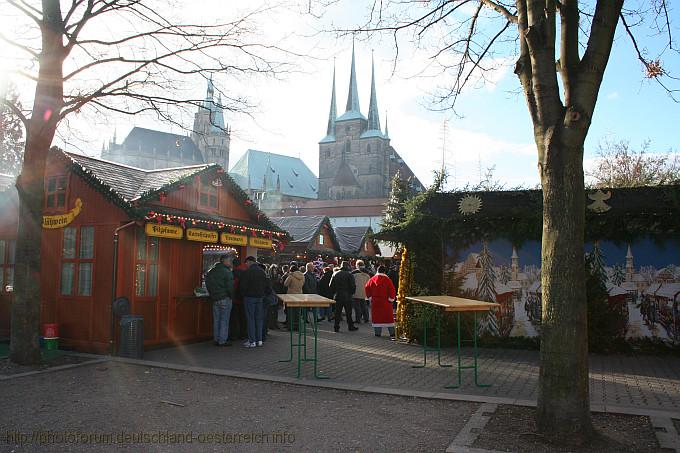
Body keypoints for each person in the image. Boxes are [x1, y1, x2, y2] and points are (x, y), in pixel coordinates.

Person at [238, 256, 268, 348]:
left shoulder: (247, 272)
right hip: (260, 298)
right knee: (259, 319)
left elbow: (242, 286)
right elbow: (266, 285)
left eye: (246, 263)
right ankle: (259, 340)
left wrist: (243, 294)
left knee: (250, 319)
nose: (246, 265)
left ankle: (252, 341)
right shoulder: (262, 272)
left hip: (249, 298)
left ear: (250, 262)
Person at [204, 254, 234, 346]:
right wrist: (231, 296)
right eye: (230, 261)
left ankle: (216, 339)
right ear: (224, 261)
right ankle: (222, 341)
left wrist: (212, 294)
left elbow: (207, 283)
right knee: (224, 320)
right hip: (225, 298)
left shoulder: (212, 271)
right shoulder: (227, 272)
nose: (231, 263)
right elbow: (230, 287)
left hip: (215, 298)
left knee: (216, 320)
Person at [365, 265, 397, 340]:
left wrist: (370, 297)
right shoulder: (387, 280)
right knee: (388, 319)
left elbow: (367, 288)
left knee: (377, 318)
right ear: (384, 271)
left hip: (375, 302)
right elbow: (392, 290)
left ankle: (377, 333)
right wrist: (391, 299)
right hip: (386, 302)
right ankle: (392, 334)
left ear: (377, 270)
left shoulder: (372, 279)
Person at [330, 261, 357, 332]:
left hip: (338, 295)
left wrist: (334, 292)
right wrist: (351, 293)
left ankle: (336, 327)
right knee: (349, 312)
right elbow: (353, 286)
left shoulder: (335, 273)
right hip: (347, 296)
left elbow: (331, 285)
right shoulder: (349, 274)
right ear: (347, 266)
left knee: (337, 312)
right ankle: (350, 326)